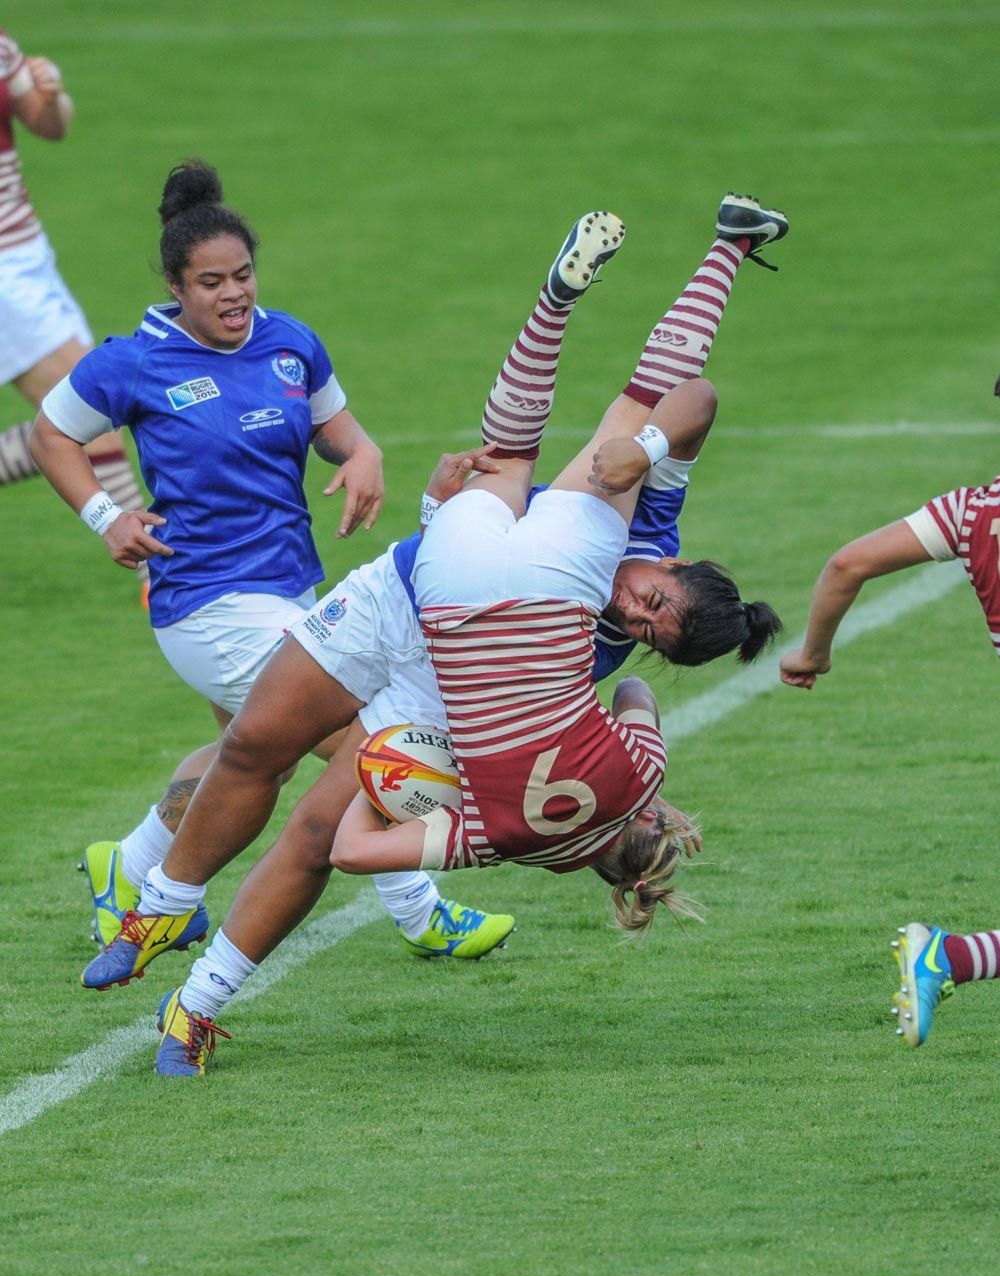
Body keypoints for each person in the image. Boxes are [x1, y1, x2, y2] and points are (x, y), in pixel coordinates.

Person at [76, 196, 784, 1075]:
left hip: (450, 691)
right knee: (256, 738)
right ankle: (163, 906)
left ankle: (197, 1005)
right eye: (652, 600)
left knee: (312, 836)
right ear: (677, 567)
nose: (635, 613)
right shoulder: (642, 515)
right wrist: (719, 269)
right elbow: (681, 388)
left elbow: (614, 709)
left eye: (649, 635)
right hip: (402, 599)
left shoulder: (597, 631)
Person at [30, 158, 510, 964]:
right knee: (367, 745)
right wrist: (105, 515)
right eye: (211, 282)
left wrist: (363, 458)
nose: (233, 294)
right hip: (208, 604)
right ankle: (419, 909)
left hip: (293, 589)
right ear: (177, 288)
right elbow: (52, 435)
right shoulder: (136, 360)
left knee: (246, 761)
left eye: (243, 275)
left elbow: (342, 431)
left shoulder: (290, 345)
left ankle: (131, 865)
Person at [778, 445, 1000, 1046]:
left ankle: (951, 958)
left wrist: (813, 654)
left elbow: (848, 564)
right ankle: (947, 958)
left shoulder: (973, 510)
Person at [0, 30, 147, 581]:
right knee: (92, 410)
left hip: (29, 255)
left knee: (83, 416)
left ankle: (154, 573)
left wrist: (53, 94)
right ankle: (154, 576)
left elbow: (48, 124)